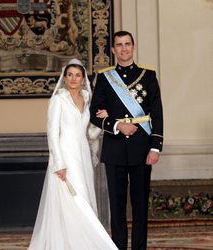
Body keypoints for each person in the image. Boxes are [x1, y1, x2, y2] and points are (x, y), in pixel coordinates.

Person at [28, 58, 118, 250]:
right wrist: (58, 163)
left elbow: (90, 132)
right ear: (65, 77)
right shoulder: (58, 99)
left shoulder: (87, 98)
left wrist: (104, 119)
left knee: (85, 196)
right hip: (65, 156)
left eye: (78, 75)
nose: (74, 79)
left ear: (84, 78)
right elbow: (52, 133)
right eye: (70, 75)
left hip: (83, 154)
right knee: (74, 200)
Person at [90, 31, 164, 250]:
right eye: (119, 45)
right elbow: (95, 113)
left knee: (140, 205)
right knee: (117, 205)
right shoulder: (104, 77)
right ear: (113, 50)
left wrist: (155, 147)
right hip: (114, 148)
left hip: (142, 146)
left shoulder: (148, 76)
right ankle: (119, 247)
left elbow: (157, 113)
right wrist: (117, 125)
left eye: (127, 44)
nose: (123, 49)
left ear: (133, 47)